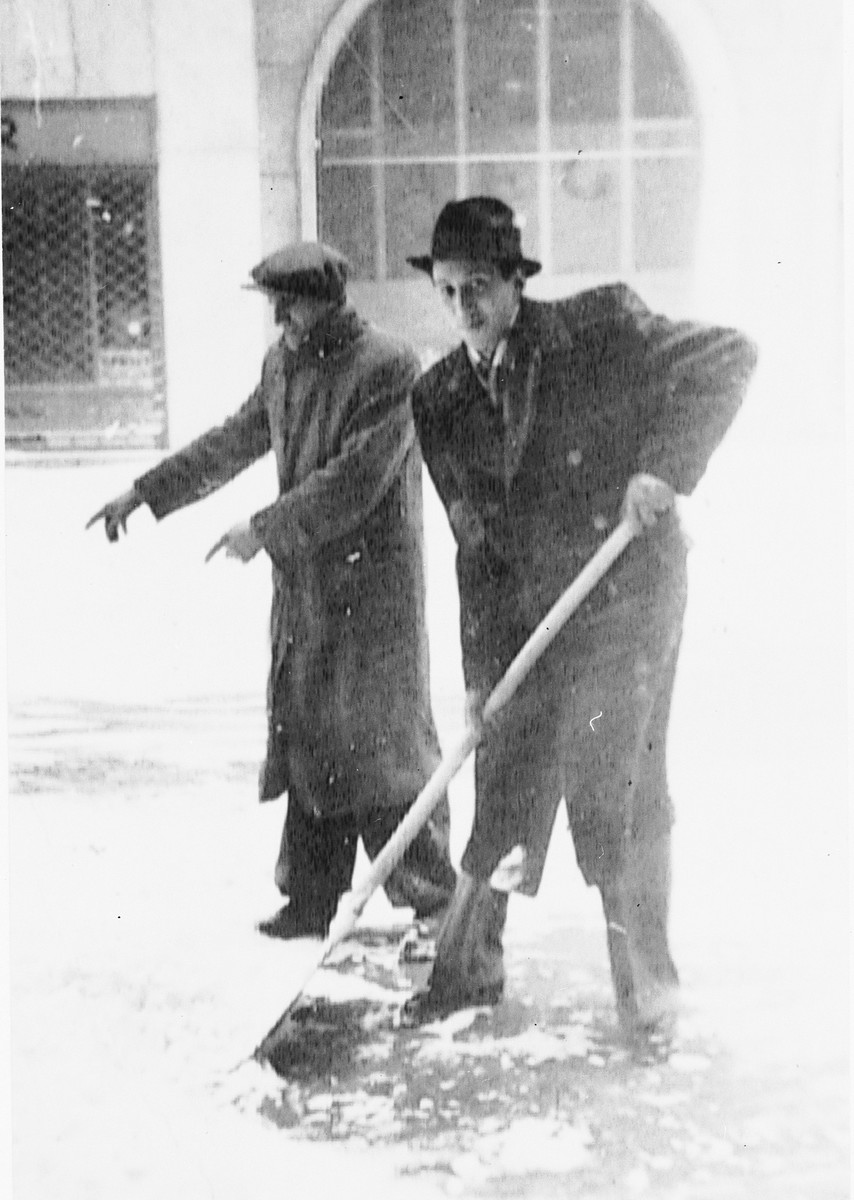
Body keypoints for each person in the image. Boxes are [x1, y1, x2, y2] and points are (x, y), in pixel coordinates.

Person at [405, 197, 757, 1029]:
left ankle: (648, 989)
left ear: (517, 283)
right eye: (449, 291)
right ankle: (464, 969)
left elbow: (728, 355)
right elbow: (474, 547)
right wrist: (481, 679)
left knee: (612, 774)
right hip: (530, 615)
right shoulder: (440, 398)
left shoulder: (598, 332)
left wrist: (663, 467)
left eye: (480, 286)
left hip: (626, 593)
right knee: (504, 774)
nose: (465, 309)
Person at [88, 242, 456, 939]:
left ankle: (435, 900)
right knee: (311, 734)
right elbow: (234, 439)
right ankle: (311, 899)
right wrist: (144, 491)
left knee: (383, 746)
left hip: (373, 593)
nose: (279, 317)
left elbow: (356, 479)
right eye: (273, 304)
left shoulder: (389, 366)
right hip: (308, 585)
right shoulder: (283, 364)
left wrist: (264, 528)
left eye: (289, 302)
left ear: (326, 298)